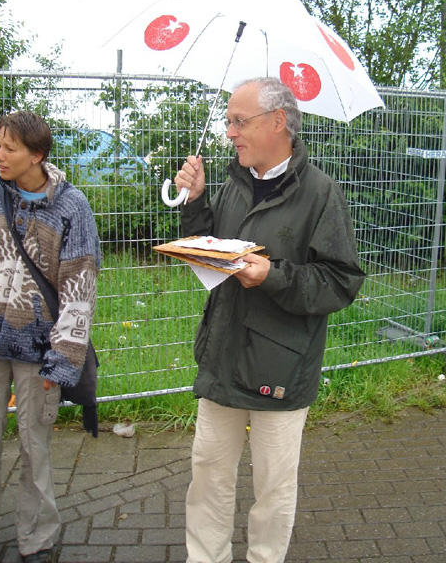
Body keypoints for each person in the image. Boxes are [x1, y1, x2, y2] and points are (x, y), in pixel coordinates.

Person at [174, 77, 366, 563]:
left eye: (239, 121)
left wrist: (274, 276)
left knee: (273, 490)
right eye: (228, 121)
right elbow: (212, 252)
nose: (229, 132)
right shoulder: (235, 182)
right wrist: (196, 202)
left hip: (282, 365)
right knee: (208, 477)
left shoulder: (321, 192)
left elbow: (342, 279)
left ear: (278, 121)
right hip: (222, 358)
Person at [0, 111, 100, 563]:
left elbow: (79, 286)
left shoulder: (71, 207)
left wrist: (63, 360)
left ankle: (37, 539)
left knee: (34, 450)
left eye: (9, 148)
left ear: (37, 155)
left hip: (39, 354)